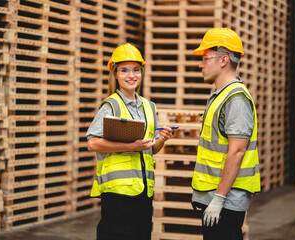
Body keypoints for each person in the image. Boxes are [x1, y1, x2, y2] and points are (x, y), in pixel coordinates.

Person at [86, 43, 173, 240]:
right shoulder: (111, 105)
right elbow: (92, 143)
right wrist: (130, 146)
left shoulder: (149, 107)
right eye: (124, 70)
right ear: (115, 74)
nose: (131, 75)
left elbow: (151, 150)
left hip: (143, 192)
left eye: (136, 70)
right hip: (118, 194)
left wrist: (162, 140)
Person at [190, 28, 261, 240]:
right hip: (214, 197)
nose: (200, 64)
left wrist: (219, 198)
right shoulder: (220, 96)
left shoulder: (235, 99)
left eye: (205, 58)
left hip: (225, 202)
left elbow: (237, 152)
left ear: (223, 60)